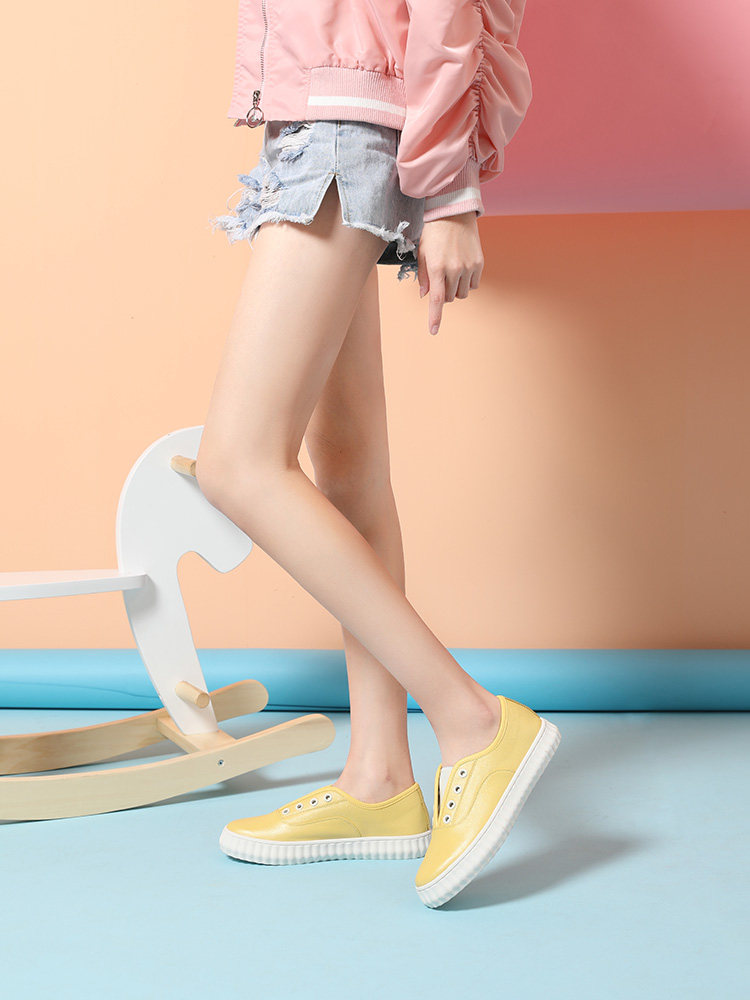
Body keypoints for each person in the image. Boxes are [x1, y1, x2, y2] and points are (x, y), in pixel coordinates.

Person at [197, 0, 560, 908]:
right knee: (349, 469)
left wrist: (451, 192)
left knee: (238, 463)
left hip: (345, 125)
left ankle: (472, 720)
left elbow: (451, 11)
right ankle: (379, 778)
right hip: (322, 116)